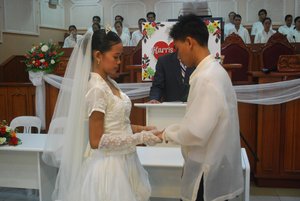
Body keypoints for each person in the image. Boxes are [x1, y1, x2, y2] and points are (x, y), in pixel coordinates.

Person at [43, 30, 161, 201]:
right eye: (116, 57)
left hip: (125, 159)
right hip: (109, 168)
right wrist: (141, 138)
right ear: (98, 55)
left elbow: (117, 124)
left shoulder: (110, 82)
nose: (119, 62)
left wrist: (143, 129)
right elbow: (96, 141)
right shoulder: (97, 88)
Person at [155, 14, 243, 201]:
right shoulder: (216, 71)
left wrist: (165, 134)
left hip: (207, 168)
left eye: (178, 49)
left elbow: (196, 132)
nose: (178, 55)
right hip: (214, 161)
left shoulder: (207, 78)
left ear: (189, 42)